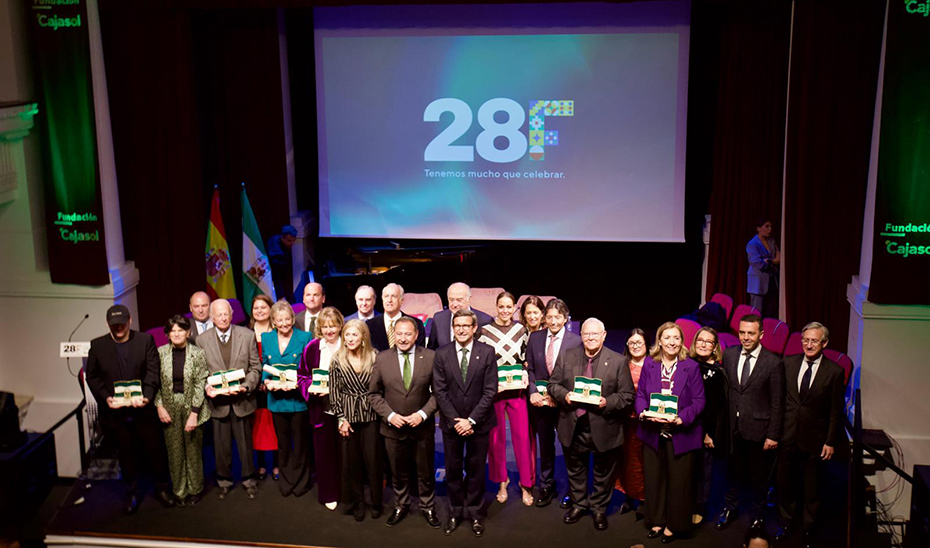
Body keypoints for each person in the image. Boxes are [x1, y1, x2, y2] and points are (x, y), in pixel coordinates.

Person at [548, 318, 635, 531]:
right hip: (573, 424)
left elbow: (627, 395)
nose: (590, 338)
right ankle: (579, 504)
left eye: (595, 334)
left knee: (603, 472)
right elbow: (553, 385)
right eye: (586, 334)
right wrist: (565, 395)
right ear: (581, 335)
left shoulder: (617, 361)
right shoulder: (568, 356)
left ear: (604, 335)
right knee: (575, 469)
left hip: (605, 424)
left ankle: (598, 509)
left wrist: (607, 402)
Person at [85, 304, 173, 514]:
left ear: (130, 321)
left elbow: (153, 372)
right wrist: (106, 398)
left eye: (122, 324)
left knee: (155, 451)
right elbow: (93, 376)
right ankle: (131, 492)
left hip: (143, 410)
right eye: (114, 325)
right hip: (115, 414)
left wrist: (147, 397)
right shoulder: (97, 345)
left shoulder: (145, 341)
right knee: (125, 454)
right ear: (108, 324)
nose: (119, 328)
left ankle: (162, 489)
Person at [774, 322, 845, 548]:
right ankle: (786, 523)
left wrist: (830, 441)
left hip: (815, 439)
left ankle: (808, 528)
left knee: (812, 488)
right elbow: (780, 401)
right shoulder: (788, 363)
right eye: (805, 340)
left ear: (824, 343)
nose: (809, 344)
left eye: (814, 341)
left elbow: (836, 411)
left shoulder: (834, 372)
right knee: (785, 484)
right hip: (788, 436)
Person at [636, 322, 706, 544]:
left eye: (676, 338)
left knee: (679, 483)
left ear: (682, 341)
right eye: (667, 338)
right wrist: (643, 413)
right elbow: (639, 396)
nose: (672, 342)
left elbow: (699, 401)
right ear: (659, 340)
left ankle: (674, 525)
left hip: (682, 434)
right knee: (655, 479)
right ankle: (657, 520)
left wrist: (681, 418)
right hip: (653, 432)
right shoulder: (649, 364)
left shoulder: (691, 366)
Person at [369, 317, 440, 528]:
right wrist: (390, 416)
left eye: (408, 334)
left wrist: (423, 414)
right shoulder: (382, 359)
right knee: (397, 472)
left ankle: (428, 507)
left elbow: (438, 393)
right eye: (399, 334)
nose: (403, 338)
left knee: (425, 472)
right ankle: (401, 505)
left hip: (422, 427)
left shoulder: (430, 357)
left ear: (416, 335)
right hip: (393, 427)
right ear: (394, 335)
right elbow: (373, 394)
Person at [432, 309, 498, 537]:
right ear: (453, 328)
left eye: (465, 325)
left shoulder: (487, 352)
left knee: (476, 470)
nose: (461, 329)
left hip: (479, 423)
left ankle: (475, 513)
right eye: (457, 325)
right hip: (452, 424)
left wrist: (471, 420)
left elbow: (490, 391)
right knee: (452, 469)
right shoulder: (441, 354)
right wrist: (456, 420)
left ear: (474, 328)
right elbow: (440, 392)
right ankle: (455, 511)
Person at [717, 314, 785, 530]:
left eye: (751, 333)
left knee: (759, 478)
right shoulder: (729, 354)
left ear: (761, 335)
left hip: (759, 429)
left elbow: (777, 402)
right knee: (732, 472)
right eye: (742, 332)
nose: (745, 337)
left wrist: (773, 434)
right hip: (732, 428)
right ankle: (730, 508)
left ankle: (758, 516)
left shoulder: (773, 363)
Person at [198, 299, 262, 500]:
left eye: (226, 314)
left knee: (245, 445)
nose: (223, 318)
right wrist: (207, 388)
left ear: (232, 314)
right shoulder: (202, 340)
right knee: (221, 446)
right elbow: (200, 373)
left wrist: (245, 386)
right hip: (218, 404)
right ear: (212, 317)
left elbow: (255, 368)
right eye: (219, 315)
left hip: (242, 401)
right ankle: (224, 481)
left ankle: (249, 480)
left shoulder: (247, 335)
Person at [525, 298, 582, 508]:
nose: (553, 321)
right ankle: (546, 486)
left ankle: (573, 491)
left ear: (565, 319)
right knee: (545, 448)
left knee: (569, 448)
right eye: (549, 317)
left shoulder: (575, 341)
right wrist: (532, 391)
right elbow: (529, 369)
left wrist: (558, 395)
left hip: (564, 404)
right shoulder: (535, 338)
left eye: (558, 317)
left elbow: (577, 375)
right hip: (540, 404)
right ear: (544, 318)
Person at [479, 291, 534, 506]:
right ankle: (502, 481)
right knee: (496, 439)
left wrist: (525, 372)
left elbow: (526, 358)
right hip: (495, 392)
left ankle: (526, 483)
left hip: (517, 392)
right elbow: (482, 361)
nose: (504, 311)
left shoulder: (521, 329)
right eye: (501, 306)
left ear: (514, 309)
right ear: (496, 307)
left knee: (522, 438)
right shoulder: (485, 331)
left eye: (508, 307)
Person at [154, 315, 210, 506]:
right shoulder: (160, 354)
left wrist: (194, 413)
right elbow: (154, 383)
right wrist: (159, 406)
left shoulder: (198, 353)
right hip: (168, 408)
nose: (176, 334)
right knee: (175, 451)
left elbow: (200, 383)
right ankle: (179, 490)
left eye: (181, 330)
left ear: (188, 332)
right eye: (173, 331)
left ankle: (195, 489)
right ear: (168, 334)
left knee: (193, 450)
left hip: (193, 407)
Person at [331, 319, 383, 521]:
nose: (350, 338)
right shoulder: (337, 359)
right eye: (347, 335)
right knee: (351, 464)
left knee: (373, 462)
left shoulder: (375, 356)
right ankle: (357, 502)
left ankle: (376, 502)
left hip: (371, 415)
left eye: (354, 334)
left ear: (363, 337)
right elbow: (334, 393)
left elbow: (381, 388)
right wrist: (341, 418)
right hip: (348, 418)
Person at [261, 301, 313, 497]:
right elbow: (265, 364)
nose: (283, 323)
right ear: (273, 322)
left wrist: (299, 383)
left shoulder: (305, 336)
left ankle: (301, 482)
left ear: (292, 319)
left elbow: (308, 367)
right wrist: (266, 382)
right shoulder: (266, 338)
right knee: (282, 445)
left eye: (287, 319)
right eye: (279, 320)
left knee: (300, 444)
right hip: (276, 399)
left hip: (298, 399)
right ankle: (286, 481)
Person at [297, 306, 344, 510]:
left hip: (346, 410)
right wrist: (312, 390)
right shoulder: (312, 348)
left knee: (345, 453)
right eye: (325, 327)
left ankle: (347, 492)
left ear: (340, 326)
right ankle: (329, 493)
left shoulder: (348, 344)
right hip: (320, 410)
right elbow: (302, 376)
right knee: (324, 454)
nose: (329, 330)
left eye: (333, 326)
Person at [690, 326, 728, 524]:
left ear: (715, 347)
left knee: (703, 470)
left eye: (708, 342)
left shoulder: (719, 372)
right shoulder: (688, 365)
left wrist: (710, 433)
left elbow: (719, 407)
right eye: (700, 341)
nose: (703, 345)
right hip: (686, 426)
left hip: (706, 429)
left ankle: (700, 507)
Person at [616, 328, 648, 516]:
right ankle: (628, 496)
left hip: (646, 424)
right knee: (626, 461)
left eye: (639, 343)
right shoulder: (622, 364)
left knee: (643, 463)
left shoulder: (654, 364)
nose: (635, 346)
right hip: (625, 422)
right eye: (632, 343)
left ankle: (644, 499)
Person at [250, 295, 278, 481]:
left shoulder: (278, 331)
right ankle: (260, 465)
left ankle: (276, 465)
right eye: (256, 308)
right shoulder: (245, 333)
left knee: (275, 425)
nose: (260, 311)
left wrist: (270, 380)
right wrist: (256, 381)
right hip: (254, 388)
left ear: (271, 309)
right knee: (258, 425)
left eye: (263, 307)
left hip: (275, 385)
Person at [426, 282, 493, 349]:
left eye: (459, 300)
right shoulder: (438, 318)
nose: (455, 304)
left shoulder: (485, 320)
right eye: (451, 300)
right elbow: (432, 350)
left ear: (469, 299)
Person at [367, 283, 425, 351]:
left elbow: (420, 354)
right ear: (382, 299)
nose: (389, 300)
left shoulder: (417, 324)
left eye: (393, 296)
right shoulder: (369, 326)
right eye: (386, 296)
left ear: (401, 300)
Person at [746, 218, 780, 318]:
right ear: (759, 229)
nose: (770, 229)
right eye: (767, 226)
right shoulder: (752, 244)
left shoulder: (771, 241)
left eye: (770, 227)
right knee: (757, 313)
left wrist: (768, 261)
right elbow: (758, 263)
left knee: (769, 312)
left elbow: (778, 256)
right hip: (758, 283)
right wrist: (772, 261)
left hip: (771, 281)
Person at [267, 224, 298, 303]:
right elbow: (276, 274)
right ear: (282, 238)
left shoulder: (285, 247)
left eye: (294, 240)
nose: (292, 243)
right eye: (289, 240)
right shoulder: (274, 247)